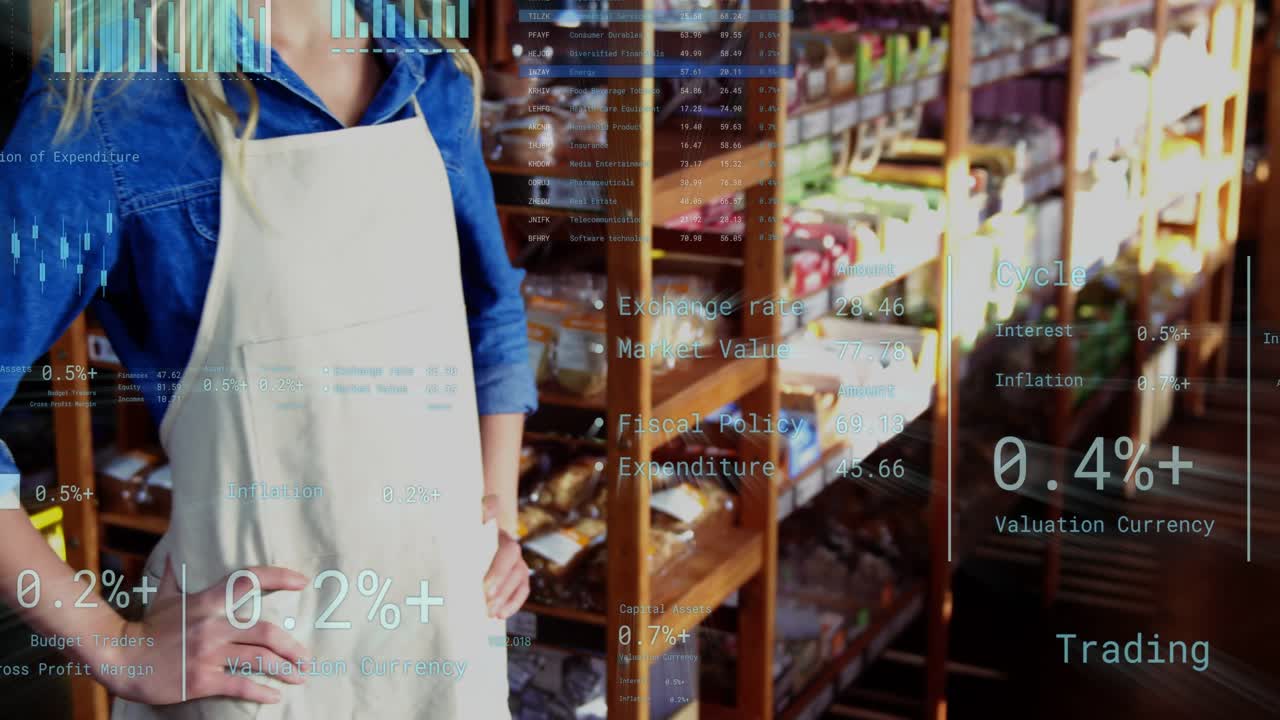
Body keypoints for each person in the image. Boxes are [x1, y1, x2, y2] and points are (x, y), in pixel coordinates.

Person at [0, 0, 534, 717]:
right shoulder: (114, 103)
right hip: (262, 675)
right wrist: (114, 644)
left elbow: (491, 315)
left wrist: (494, 519)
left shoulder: (430, 72)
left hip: (450, 650)